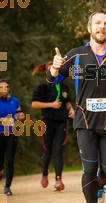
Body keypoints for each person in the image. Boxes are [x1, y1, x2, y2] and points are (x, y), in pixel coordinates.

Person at [47, 9, 106, 203]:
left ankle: (100, 183)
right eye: (97, 23)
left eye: (105, 24)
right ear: (89, 28)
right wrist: (55, 69)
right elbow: (51, 81)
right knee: (89, 169)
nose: (101, 27)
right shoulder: (75, 55)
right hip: (84, 122)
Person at [32, 61, 75, 191]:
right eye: (51, 69)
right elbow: (34, 104)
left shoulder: (64, 86)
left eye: (56, 68)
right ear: (46, 72)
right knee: (48, 150)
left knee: (59, 150)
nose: (54, 71)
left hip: (61, 121)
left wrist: (71, 109)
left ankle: (58, 180)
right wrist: (51, 105)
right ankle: (45, 173)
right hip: (47, 121)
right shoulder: (42, 87)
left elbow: (66, 102)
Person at [0, 78, 25, 195]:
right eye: (2, 87)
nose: (4, 89)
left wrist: (20, 116)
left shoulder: (14, 101)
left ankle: (7, 187)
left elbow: (17, 114)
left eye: (6, 87)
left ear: (9, 88)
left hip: (11, 133)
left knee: (10, 160)